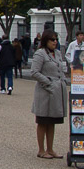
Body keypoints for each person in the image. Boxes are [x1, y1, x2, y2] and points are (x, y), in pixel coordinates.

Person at [29, 30, 68, 158]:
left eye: (56, 39)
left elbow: (60, 69)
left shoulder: (57, 53)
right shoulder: (40, 54)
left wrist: (62, 81)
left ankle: (50, 149)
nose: (55, 42)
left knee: (52, 121)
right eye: (52, 40)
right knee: (43, 121)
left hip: (56, 91)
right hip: (45, 92)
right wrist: (48, 82)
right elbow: (34, 72)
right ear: (46, 41)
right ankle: (41, 150)